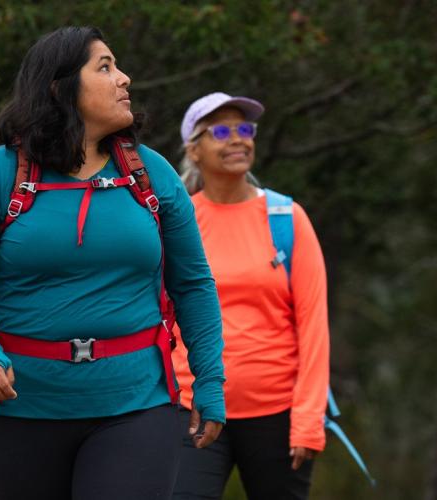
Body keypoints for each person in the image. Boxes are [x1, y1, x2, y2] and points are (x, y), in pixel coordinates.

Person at [0, 27, 227, 499]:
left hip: (137, 405)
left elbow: (193, 285)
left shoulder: (151, 175)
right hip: (20, 411)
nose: (125, 79)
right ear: (60, 88)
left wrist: (210, 381)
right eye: (106, 67)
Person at [169, 92, 331, 499]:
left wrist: (309, 418)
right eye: (221, 131)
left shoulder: (286, 219)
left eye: (245, 129)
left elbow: (313, 325)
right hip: (193, 408)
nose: (238, 139)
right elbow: (160, 317)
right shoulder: (177, 223)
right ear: (194, 149)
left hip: (277, 414)